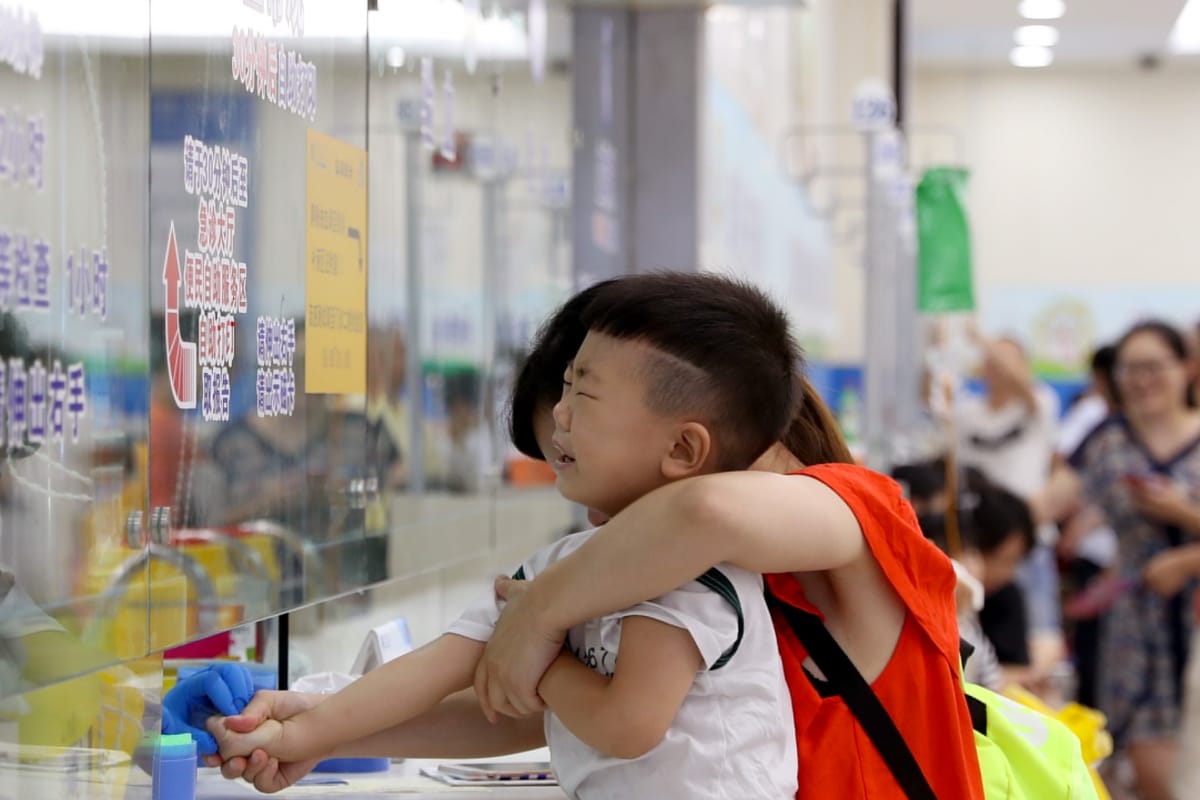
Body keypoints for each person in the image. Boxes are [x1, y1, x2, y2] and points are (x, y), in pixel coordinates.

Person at [207, 273, 802, 799]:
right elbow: (444, 663)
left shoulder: (692, 574)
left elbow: (627, 724)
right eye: (565, 386)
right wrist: (305, 731)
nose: (561, 415)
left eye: (584, 393)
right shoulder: (562, 563)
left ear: (682, 449)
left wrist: (537, 659)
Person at [1037, 320, 1200, 800]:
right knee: (1145, 762)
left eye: (1154, 366)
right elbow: (1046, 503)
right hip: (1134, 626)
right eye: (1130, 368)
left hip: (1193, 619)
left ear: (1185, 369)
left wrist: (1183, 532)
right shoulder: (1107, 440)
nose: (1141, 379)